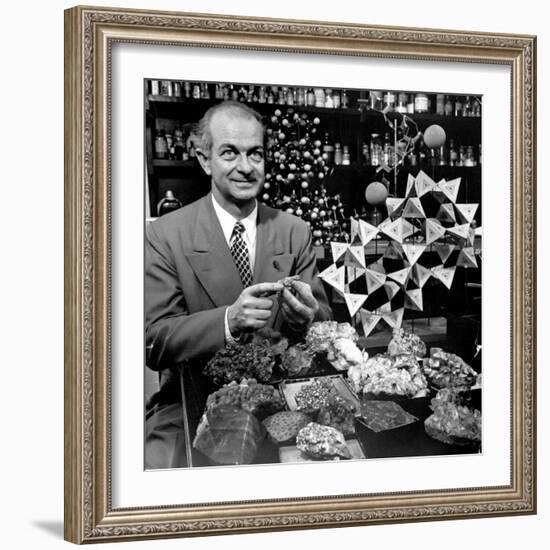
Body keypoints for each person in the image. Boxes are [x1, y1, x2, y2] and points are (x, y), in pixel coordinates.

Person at [144, 101, 331, 468]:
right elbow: (154, 342)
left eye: (255, 154)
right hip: (193, 403)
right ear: (204, 159)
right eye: (230, 153)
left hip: (282, 402)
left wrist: (307, 318)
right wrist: (227, 320)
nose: (246, 167)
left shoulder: (294, 231)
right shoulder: (166, 234)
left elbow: (324, 325)